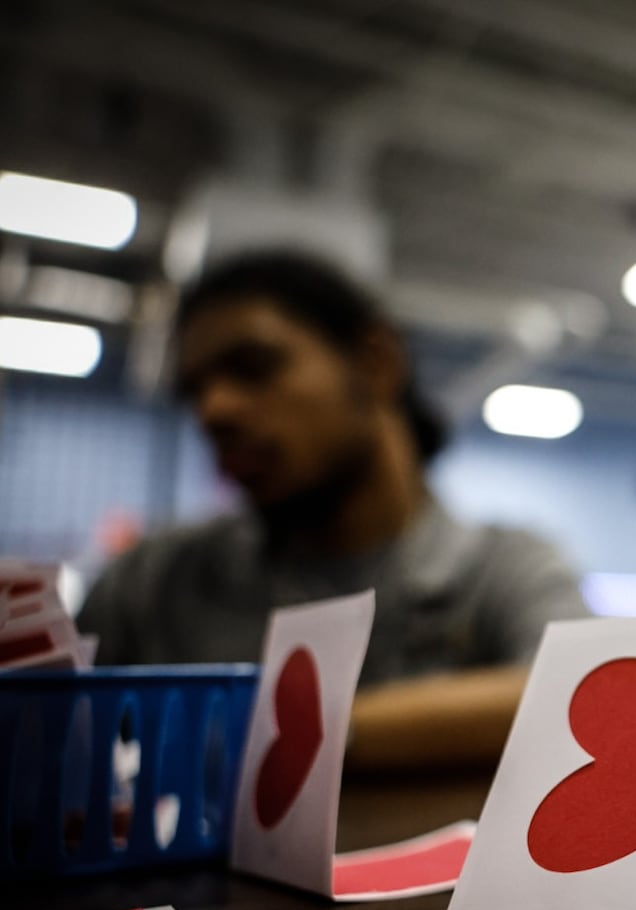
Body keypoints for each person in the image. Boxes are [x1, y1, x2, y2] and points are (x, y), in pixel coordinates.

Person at [78, 251, 590, 768]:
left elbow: (578, 699)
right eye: (196, 391)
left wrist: (299, 740)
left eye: (253, 369)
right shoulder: (150, 584)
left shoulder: (501, 573)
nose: (215, 410)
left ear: (376, 363)